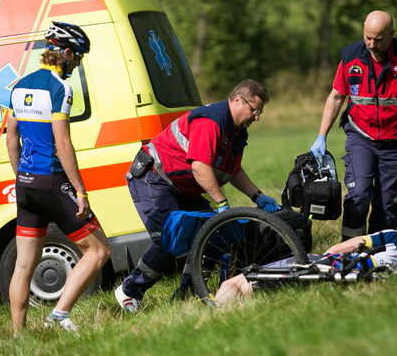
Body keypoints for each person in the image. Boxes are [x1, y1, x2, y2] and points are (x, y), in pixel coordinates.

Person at [114, 79, 281, 313]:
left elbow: (232, 169)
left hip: (184, 187)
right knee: (169, 239)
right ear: (237, 100)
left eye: (259, 112)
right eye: (255, 110)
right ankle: (130, 291)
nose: (257, 117)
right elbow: (200, 167)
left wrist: (257, 195)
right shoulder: (210, 122)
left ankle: (188, 293)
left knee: (215, 234)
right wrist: (222, 204)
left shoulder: (236, 131)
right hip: (154, 178)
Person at [6, 22, 111, 335]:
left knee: (23, 264)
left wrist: (22, 178)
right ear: (65, 53)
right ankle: (60, 313)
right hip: (52, 181)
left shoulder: (20, 85)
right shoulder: (60, 87)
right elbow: (62, 142)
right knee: (99, 251)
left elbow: (11, 138)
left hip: (25, 184)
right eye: (77, 57)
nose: (78, 63)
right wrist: (80, 191)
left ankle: (18, 335)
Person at [311, 10, 397, 240]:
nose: (372, 44)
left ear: (392, 34)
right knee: (359, 194)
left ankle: (378, 251)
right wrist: (321, 136)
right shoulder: (350, 57)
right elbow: (336, 97)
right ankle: (350, 251)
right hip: (361, 136)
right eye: (368, 37)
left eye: (379, 39)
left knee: (388, 202)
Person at [214, 229, 397, 305]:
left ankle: (215, 312)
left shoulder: (393, 241)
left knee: (235, 283)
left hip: (322, 264)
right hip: (327, 281)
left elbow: (336, 249)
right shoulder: (394, 275)